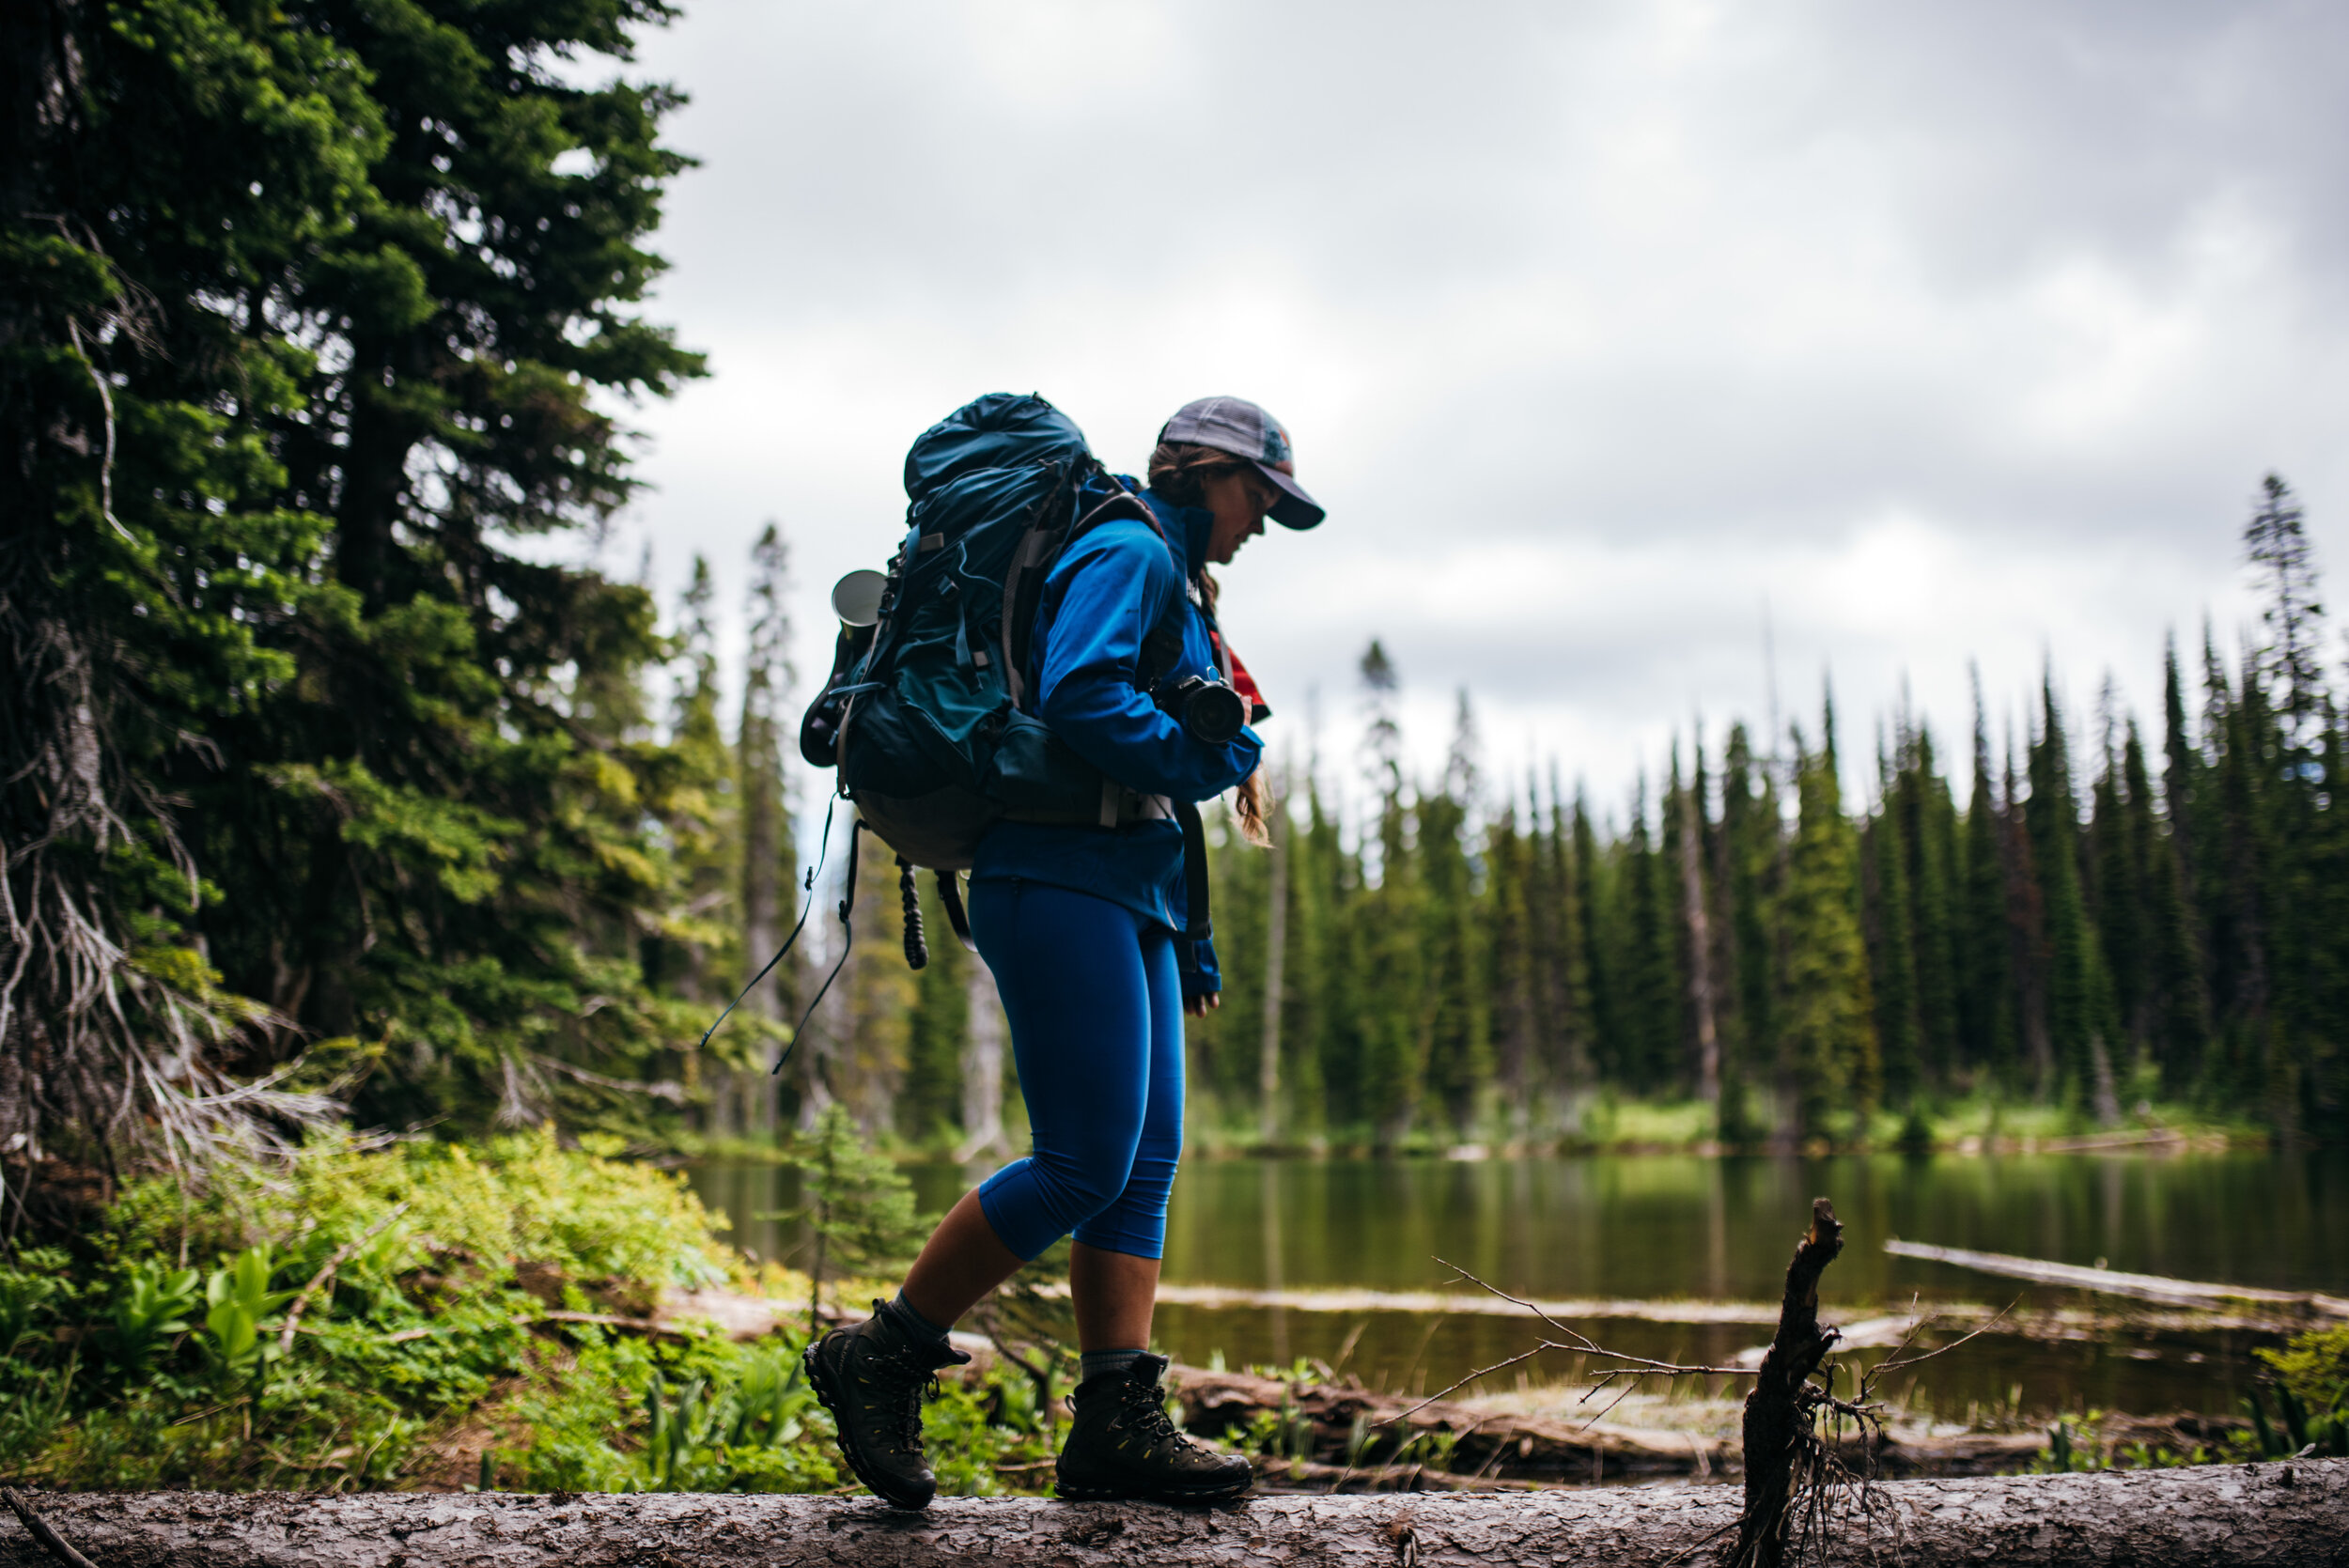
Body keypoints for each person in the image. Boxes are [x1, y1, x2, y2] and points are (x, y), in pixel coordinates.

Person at [803, 396, 1326, 1510]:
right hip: (1053, 872)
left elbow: (1142, 751)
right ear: (1198, 472)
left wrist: (1187, 932)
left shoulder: (1173, 574)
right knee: (1083, 1161)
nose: (1262, 523)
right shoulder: (1132, 548)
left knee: (1141, 1165)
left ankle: (1113, 1424)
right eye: (1257, 497)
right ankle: (881, 1353)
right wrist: (1210, 752)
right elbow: (1085, 694)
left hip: (1122, 883)